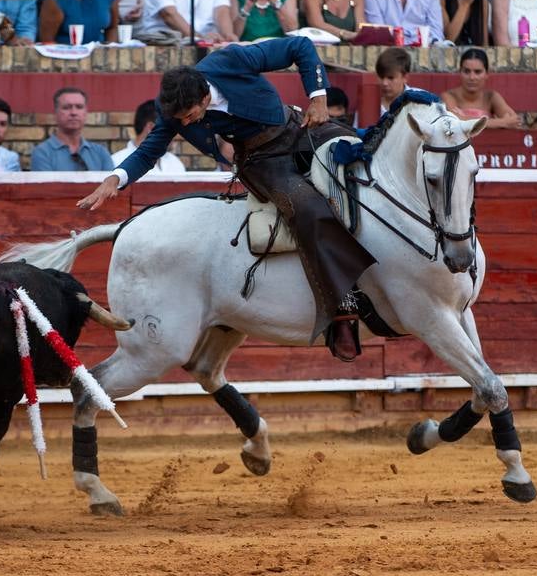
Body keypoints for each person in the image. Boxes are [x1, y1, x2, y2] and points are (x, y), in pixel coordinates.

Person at [75, 36, 373, 361]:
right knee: (308, 209)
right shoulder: (173, 111)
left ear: (205, 95)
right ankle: (342, 307)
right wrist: (114, 179)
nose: (185, 125)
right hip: (261, 161)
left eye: (190, 116)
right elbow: (149, 151)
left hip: (296, 127)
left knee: (363, 152)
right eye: (181, 120)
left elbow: (299, 47)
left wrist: (318, 98)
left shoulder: (230, 61)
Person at [30, 86, 114, 171]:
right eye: (66, 107)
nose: (74, 113)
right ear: (55, 112)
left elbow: (111, 183)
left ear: (86, 112)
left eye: (79, 107)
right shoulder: (42, 153)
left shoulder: (100, 153)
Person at [441, 48, 519, 127]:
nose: (472, 77)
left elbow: (513, 121)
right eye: (466, 71)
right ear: (460, 72)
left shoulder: (491, 97)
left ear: (486, 74)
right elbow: (453, 120)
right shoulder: (449, 96)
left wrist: (464, 119)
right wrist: (501, 122)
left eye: (478, 72)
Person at [112, 99, 186, 172]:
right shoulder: (117, 162)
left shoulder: (175, 162)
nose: (174, 135)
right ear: (151, 128)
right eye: (169, 129)